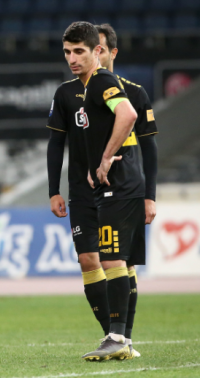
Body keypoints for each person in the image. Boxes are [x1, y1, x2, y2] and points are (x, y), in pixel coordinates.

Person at [47, 24, 158, 360]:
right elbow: (60, 142)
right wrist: (57, 188)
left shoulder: (104, 82)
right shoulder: (73, 91)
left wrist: (107, 158)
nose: (72, 58)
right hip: (91, 188)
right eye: (67, 52)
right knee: (95, 259)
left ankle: (120, 336)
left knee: (114, 258)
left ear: (100, 51)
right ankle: (116, 337)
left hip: (119, 183)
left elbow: (130, 116)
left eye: (78, 51)